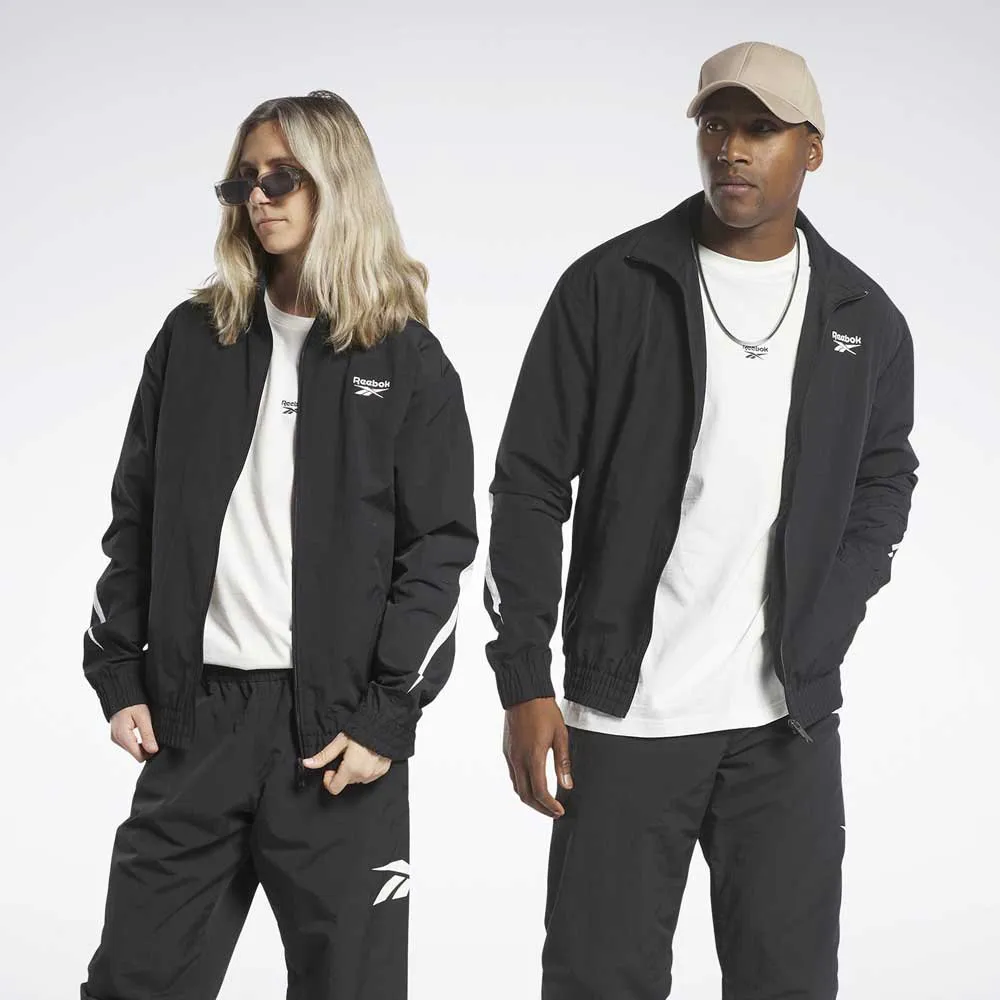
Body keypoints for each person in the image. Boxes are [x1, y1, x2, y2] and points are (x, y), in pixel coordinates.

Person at [483, 41, 918, 999]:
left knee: (788, 983)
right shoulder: (610, 286)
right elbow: (528, 483)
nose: (732, 148)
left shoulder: (863, 317)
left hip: (784, 730)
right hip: (624, 717)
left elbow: (886, 478)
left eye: (762, 128)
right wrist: (524, 679)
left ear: (812, 149)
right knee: (598, 982)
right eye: (716, 125)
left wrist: (830, 613)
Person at [80, 90, 477, 1000]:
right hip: (196, 724)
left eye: (283, 177)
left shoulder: (406, 361)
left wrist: (385, 718)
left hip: (335, 738)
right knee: (134, 982)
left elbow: (440, 553)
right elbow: (134, 516)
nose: (259, 197)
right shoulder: (193, 340)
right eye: (244, 181)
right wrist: (118, 669)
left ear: (337, 182)